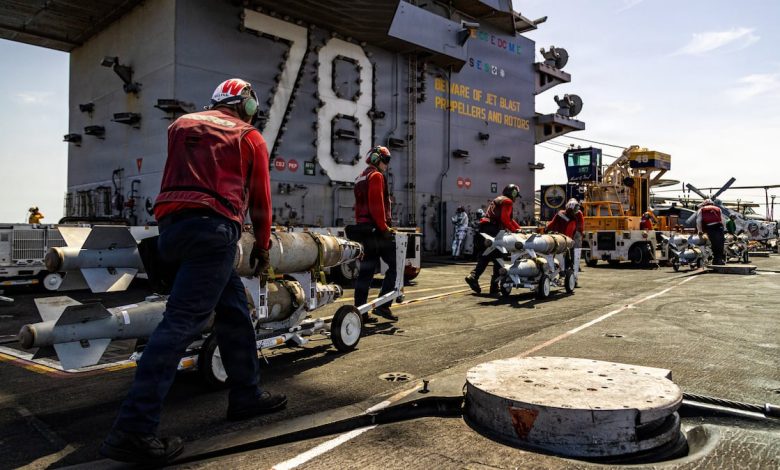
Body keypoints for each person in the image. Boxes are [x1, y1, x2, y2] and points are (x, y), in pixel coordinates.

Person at [100, 78, 286, 465]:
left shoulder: (181, 125)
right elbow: (262, 204)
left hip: (171, 234)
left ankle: (246, 395)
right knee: (178, 325)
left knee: (235, 312)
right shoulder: (250, 137)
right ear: (246, 104)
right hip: (213, 234)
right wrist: (263, 248)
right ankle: (132, 430)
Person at [348, 145, 398, 322]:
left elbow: (359, 208)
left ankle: (360, 312)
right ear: (378, 159)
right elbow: (377, 206)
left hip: (363, 229)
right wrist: (384, 229)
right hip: (376, 231)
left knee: (366, 271)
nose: (387, 164)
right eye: (386, 160)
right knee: (396, 265)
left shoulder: (360, 177)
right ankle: (384, 305)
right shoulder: (376, 176)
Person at [465, 184, 521, 295]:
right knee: (499, 257)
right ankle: (494, 286)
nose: (516, 198)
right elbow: (505, 220)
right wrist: (515, 231)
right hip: (494, 230)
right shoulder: (508, 202)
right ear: (513, 193)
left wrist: (518, 229)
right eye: (516, 195)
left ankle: (473, 277)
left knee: (485, 254)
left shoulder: (498, 199)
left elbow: (510, 220)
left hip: (484, 229)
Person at [545, 198, 584, 268]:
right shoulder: (576, 215)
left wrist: (547, 228)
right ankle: (574, 264)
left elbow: (552, 224)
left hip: (564, 236)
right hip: (568, 236)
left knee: (562, 251)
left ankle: (570, 264)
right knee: (570, 250)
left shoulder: (562, 213)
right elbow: (580, 226)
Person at [696, 199, 725, 265]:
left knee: (713, 244)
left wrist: (700, 231)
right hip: (719, 227)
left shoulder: (701, 209)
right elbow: (723, 220)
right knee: (720, 244)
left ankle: (715, 260)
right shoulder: (718, 208)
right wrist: (724, 229)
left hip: (710, 227)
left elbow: (698, 221)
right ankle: (719, 260)